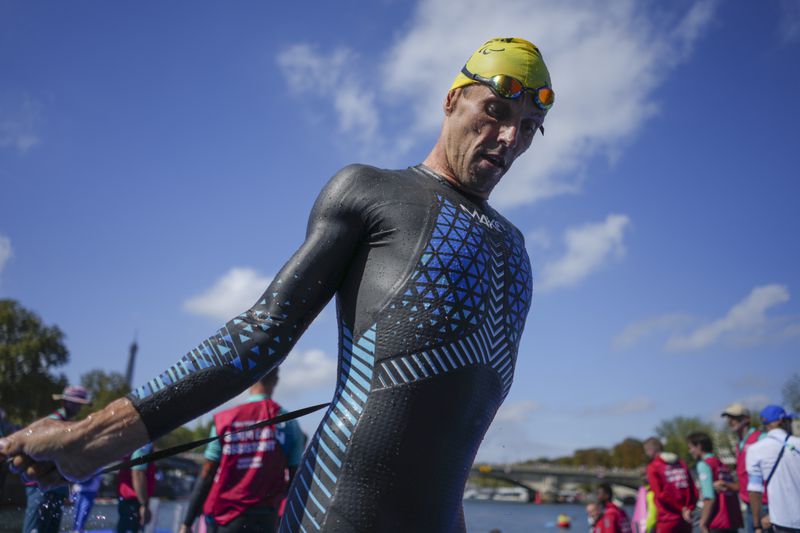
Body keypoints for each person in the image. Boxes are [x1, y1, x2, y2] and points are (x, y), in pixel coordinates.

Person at [0, 37, 552, 532]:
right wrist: (93, 437)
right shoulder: (372, 190)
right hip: (338, 513)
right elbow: (262, 332)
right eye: (495, 111)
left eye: (528, 127)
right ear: (452, 100)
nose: (508, 138)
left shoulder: (517, 251)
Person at [180, 369, 304, 533]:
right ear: (275, 380)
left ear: (249, 381)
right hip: (267, 519)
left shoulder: (225, 420)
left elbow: (207, 474)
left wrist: (187, 522)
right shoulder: (289, 423)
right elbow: (296, 478)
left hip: (226, 517)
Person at [22, 385, 91, 533]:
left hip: (56, 488)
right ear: (65, 402)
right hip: (39, 486)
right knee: (35, 529)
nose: (79, 407)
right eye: (75, 403)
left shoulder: (68, 425)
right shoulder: (50, 423)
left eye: (80, 404)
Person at [746, 405, 800, 533]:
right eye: (789, 420)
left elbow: (754, 490)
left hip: (782, 521)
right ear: (782, 421)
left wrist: (757, 524)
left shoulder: (755, 450)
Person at [720, 402, 767, 533]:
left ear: (746, 419)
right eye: (729, 418)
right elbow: (744, 476)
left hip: (762, 503)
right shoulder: (739, 444)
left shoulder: (760, 438)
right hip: (750, 503)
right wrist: (729, 485)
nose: (731, 421)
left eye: (735, 418)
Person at [686, 432, 743, 533]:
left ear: (699, 446)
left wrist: (703, 523)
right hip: (731, 519)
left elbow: (709, 498)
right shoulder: (721, 464)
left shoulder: (704, 464)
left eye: (691, 448)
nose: (690, 451)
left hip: (716, 521)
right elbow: (738, 487)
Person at [644, 437, 697, 533]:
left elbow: (660, 494)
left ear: (650, 450)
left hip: (668, 519)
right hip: (686, 519)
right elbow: (694, 489)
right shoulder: (681, 463)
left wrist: (681, 508)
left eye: (646, 451)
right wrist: (689, 508)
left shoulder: (653, 467)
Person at [116, 442, 156, 533]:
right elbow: (138, 473)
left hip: (131, 499)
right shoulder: (143, 444)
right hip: (132, 500)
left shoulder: (139, 442)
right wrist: (144, 505)